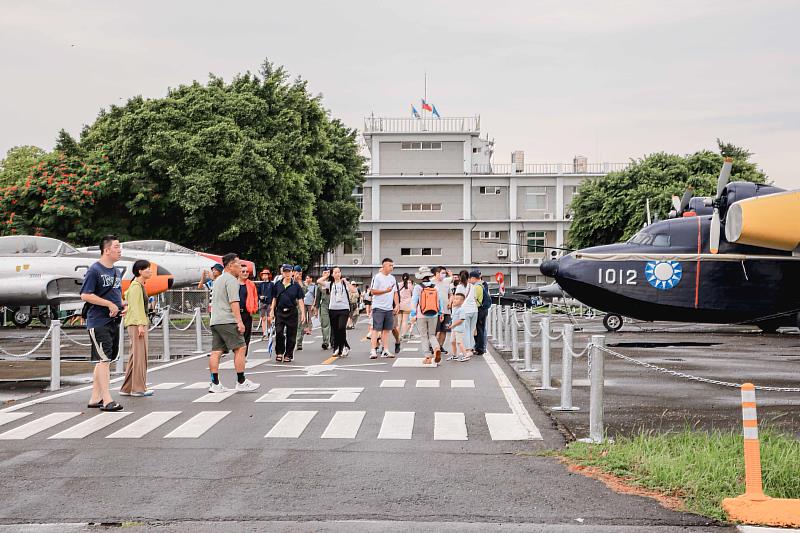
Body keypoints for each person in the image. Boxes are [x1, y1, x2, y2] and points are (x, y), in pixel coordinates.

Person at [81, 235, 126, 411]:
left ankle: (95, 397)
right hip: (98, 321)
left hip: (113, 320)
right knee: (105, 360)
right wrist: (108, 304)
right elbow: (85, 294)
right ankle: (107, 399)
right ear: (106, 250)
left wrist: (122, 305)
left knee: (104, 360)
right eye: (116, 247)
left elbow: (115, 295)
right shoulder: (95, 270)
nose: (119, 250)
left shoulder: (115, 271)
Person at [208, 253, 260, 393]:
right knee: (241, 348)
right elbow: (234, 302)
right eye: (238, 264)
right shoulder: (231, 280)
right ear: (230, 265)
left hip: (215, 320)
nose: (240, 267)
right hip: (227, 320)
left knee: (216, 351)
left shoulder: (218, 280)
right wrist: (239, 321)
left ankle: (215, 383)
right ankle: (241, 381)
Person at [120, 259, 153, 397]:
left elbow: (131, 301)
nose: (150, 271)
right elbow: (138, 306)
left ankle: (127, 388)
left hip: (136, 322)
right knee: (140, 356)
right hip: (137, 324)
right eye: (147, 269)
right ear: (140, 271)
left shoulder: (138, 285)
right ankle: (138, 388)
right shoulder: (136, 287)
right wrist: (140, 325)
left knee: (135, 356)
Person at [270, 264, 306, 363]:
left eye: (289, 271)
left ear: (292, 273)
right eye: (285, 271)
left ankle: (288, 354)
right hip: (280, 312)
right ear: (282, 272)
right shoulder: (277, 284)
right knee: (279, 332)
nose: (287, 273)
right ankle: (279, 352)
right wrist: (272, 311)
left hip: (292, 312)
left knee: (291, 334)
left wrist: (303, 313)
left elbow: (300, 300)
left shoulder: (296, 286)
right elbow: (274, 298)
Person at [409, 266, 442, 365]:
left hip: (421, 314)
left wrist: (413, 314)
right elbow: (439, 301)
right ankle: (436, 348)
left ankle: (427, 357)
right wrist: (440, 312)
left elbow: (414, 301)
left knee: (423, 336)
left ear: (420, 276)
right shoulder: (435, 286)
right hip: (434, 314)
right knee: (432, 334)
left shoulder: (418, 287)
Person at [368, 258, 399, 359]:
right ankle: (373, 350)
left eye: (392, 265)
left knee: (386, 330)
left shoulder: (392, 278)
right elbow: (372, 291)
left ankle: (385, 350)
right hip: (378, 307)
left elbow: (395, 292)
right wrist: (385, 291)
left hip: (389, 308)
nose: (392, 267)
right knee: (375, 329)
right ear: (384, 266)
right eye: (390, 265)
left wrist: (397, 304)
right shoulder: (377, 277)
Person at [455, 269, 479, 357]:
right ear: (468, 277)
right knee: (472, 330)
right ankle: (471, 348)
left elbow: (457, 299)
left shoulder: (459, 287)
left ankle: (467, 349)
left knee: (466, 330)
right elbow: (475, 298)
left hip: (465, 310)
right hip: (474, 310)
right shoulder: (472, 286)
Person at [238, 264, 258, 358]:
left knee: (246, 335)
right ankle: (237, 353)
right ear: (239, 272)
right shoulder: (233, 283)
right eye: (243, 271)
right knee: (236, 335)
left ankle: (243, 355)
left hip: (247, 312)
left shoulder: (251, 284)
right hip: (236, 313)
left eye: (247, 272)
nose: (245, 273)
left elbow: (255, 297)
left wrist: (254, 309)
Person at [432, 266, 454, 355]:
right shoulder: (431, 283)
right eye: (442, 273)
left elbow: (451, 294)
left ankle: (440, 346)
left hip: (446, 310)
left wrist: (450, 302)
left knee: (444, 330)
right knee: (435, 330)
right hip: (435, 311)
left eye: (445, 273)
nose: (444, 275)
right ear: (437, 273)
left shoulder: (446, 283)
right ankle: (434, 346)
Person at [472, 270, 491, 356]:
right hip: (483, 309)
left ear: (473, 278)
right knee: (481, 329)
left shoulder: (477, 286)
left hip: (480, 310)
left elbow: (476, 299)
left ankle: (480, 349)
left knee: (479, 329)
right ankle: (480, 347)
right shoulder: (482, 285)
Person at [315, 267, 332, 350]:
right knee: (325, 324)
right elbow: (318, 297)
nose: (327, 274)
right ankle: (325, 342)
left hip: (333, 305)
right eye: (325, 272)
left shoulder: (333, 282)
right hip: (324, 305)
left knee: (333, 325)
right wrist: (316, 308)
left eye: (328, 272)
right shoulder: (320, 284)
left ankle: (333, 341)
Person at [448, 292, 469, 361]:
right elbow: (453, 318)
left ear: (462, 301)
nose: (455, 300)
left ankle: (465, 356)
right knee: (452, 341)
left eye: (457, 299)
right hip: (454, 328)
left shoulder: (461, 309)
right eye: (454, 299)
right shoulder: (454, 308)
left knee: (459, 342)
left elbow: (461, 320)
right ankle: (455, 355)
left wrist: (452, 325)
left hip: (459, 328)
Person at [257, 268, 274, 339]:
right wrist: (260, 297)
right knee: (263, 318)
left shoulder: (272, 284)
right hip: (262, 302)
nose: (264, 276)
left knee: (270, 318)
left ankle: (270, 330)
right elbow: (258, 293)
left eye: (266, 275)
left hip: (270, 302)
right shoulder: (261, 285)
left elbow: (274, 294)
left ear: (268, 276)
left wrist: (273, 303)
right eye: (263, 275)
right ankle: (264, 333)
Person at [397, 273, 414, 339]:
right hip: (407, 305)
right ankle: (402, 335)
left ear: (402, 278)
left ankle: (397, 335)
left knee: (399, 321)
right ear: (408, 278)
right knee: (405, 321)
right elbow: (413, 294)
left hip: (399, 304)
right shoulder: (410, 285)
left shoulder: (398, 284)